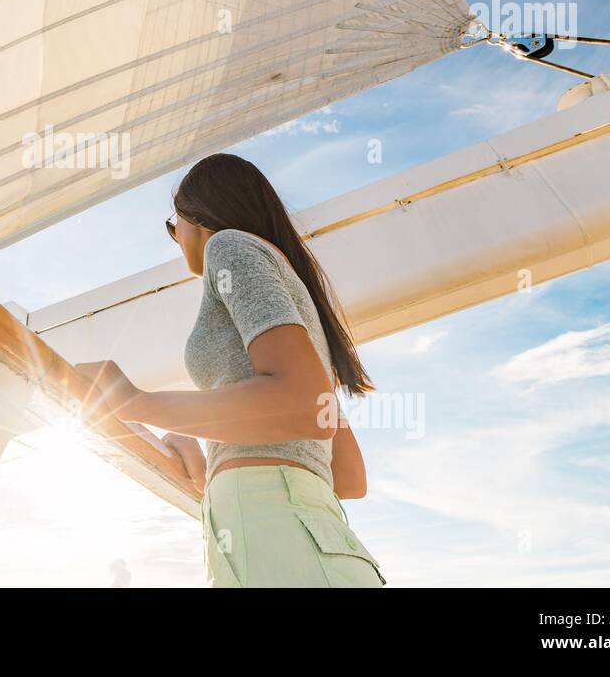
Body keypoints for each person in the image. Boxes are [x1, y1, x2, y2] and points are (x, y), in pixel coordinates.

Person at [74, 153, 385, 587]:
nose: (176, 238)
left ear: (195, 218)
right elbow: (347, 476)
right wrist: (216, 464)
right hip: (306, 539)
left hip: (274, 534)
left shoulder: (229, 246)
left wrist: (137, 403)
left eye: (172, 226)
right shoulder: (299, 306)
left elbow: (301, 408)